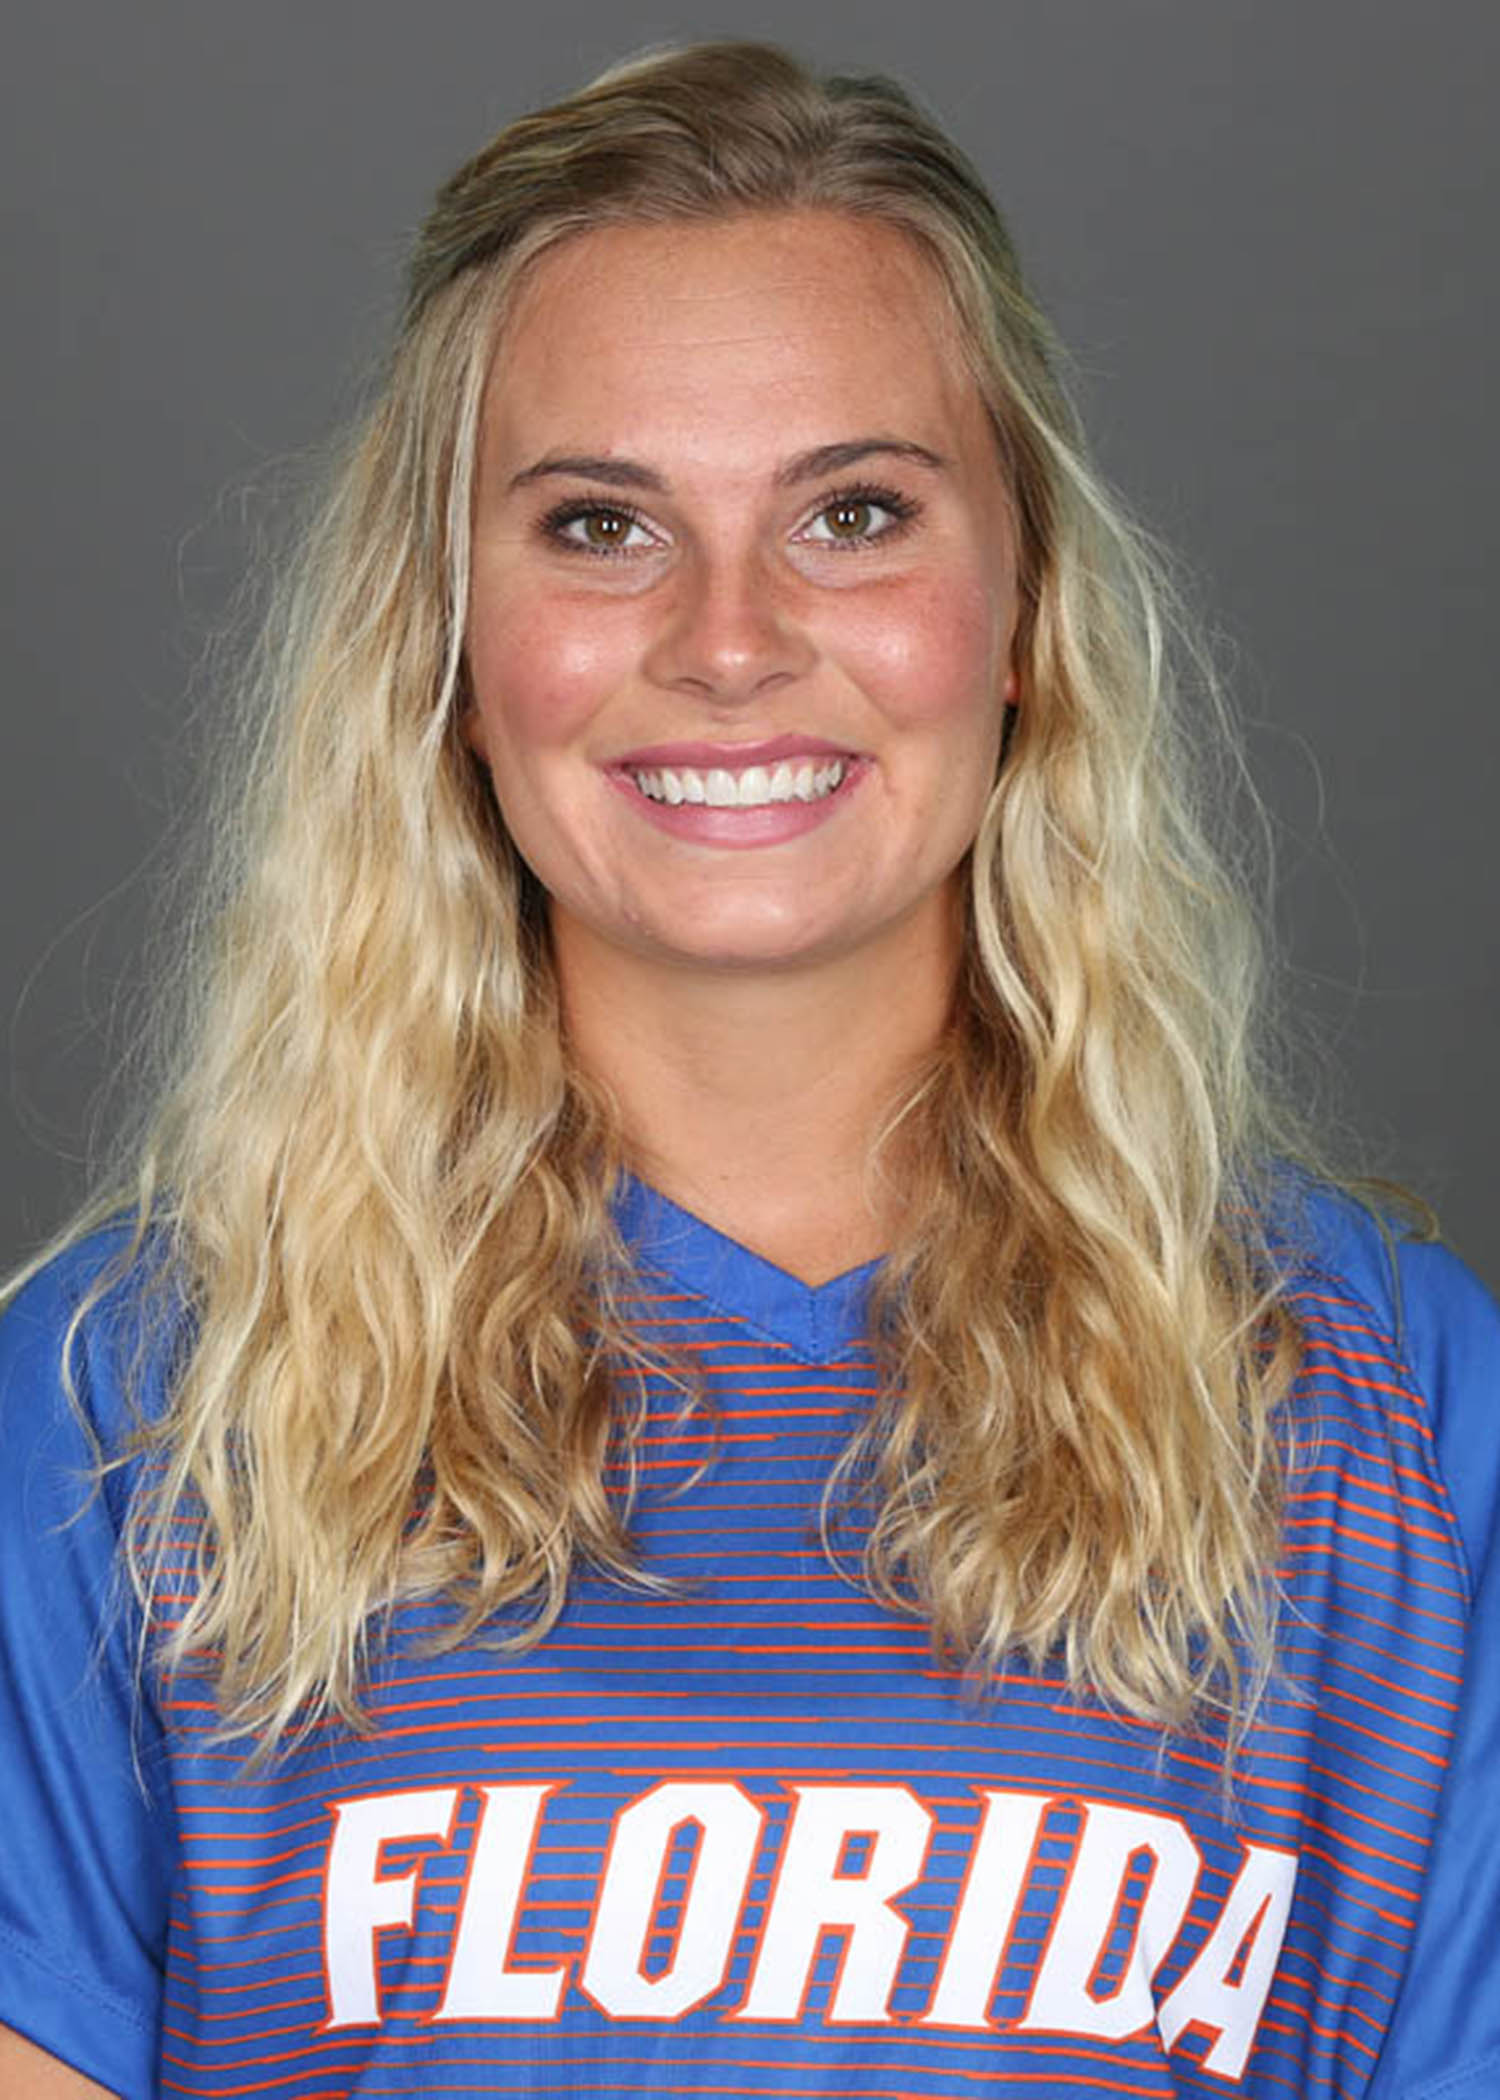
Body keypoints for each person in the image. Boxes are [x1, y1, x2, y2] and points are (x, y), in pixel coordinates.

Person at [0, 37, 1496, 2100]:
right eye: (602, 524)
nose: (728, 638)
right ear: (447, 641)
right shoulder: (124, 1407)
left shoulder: (1392, 1406)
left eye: (854, 515)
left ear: (1024, 612)